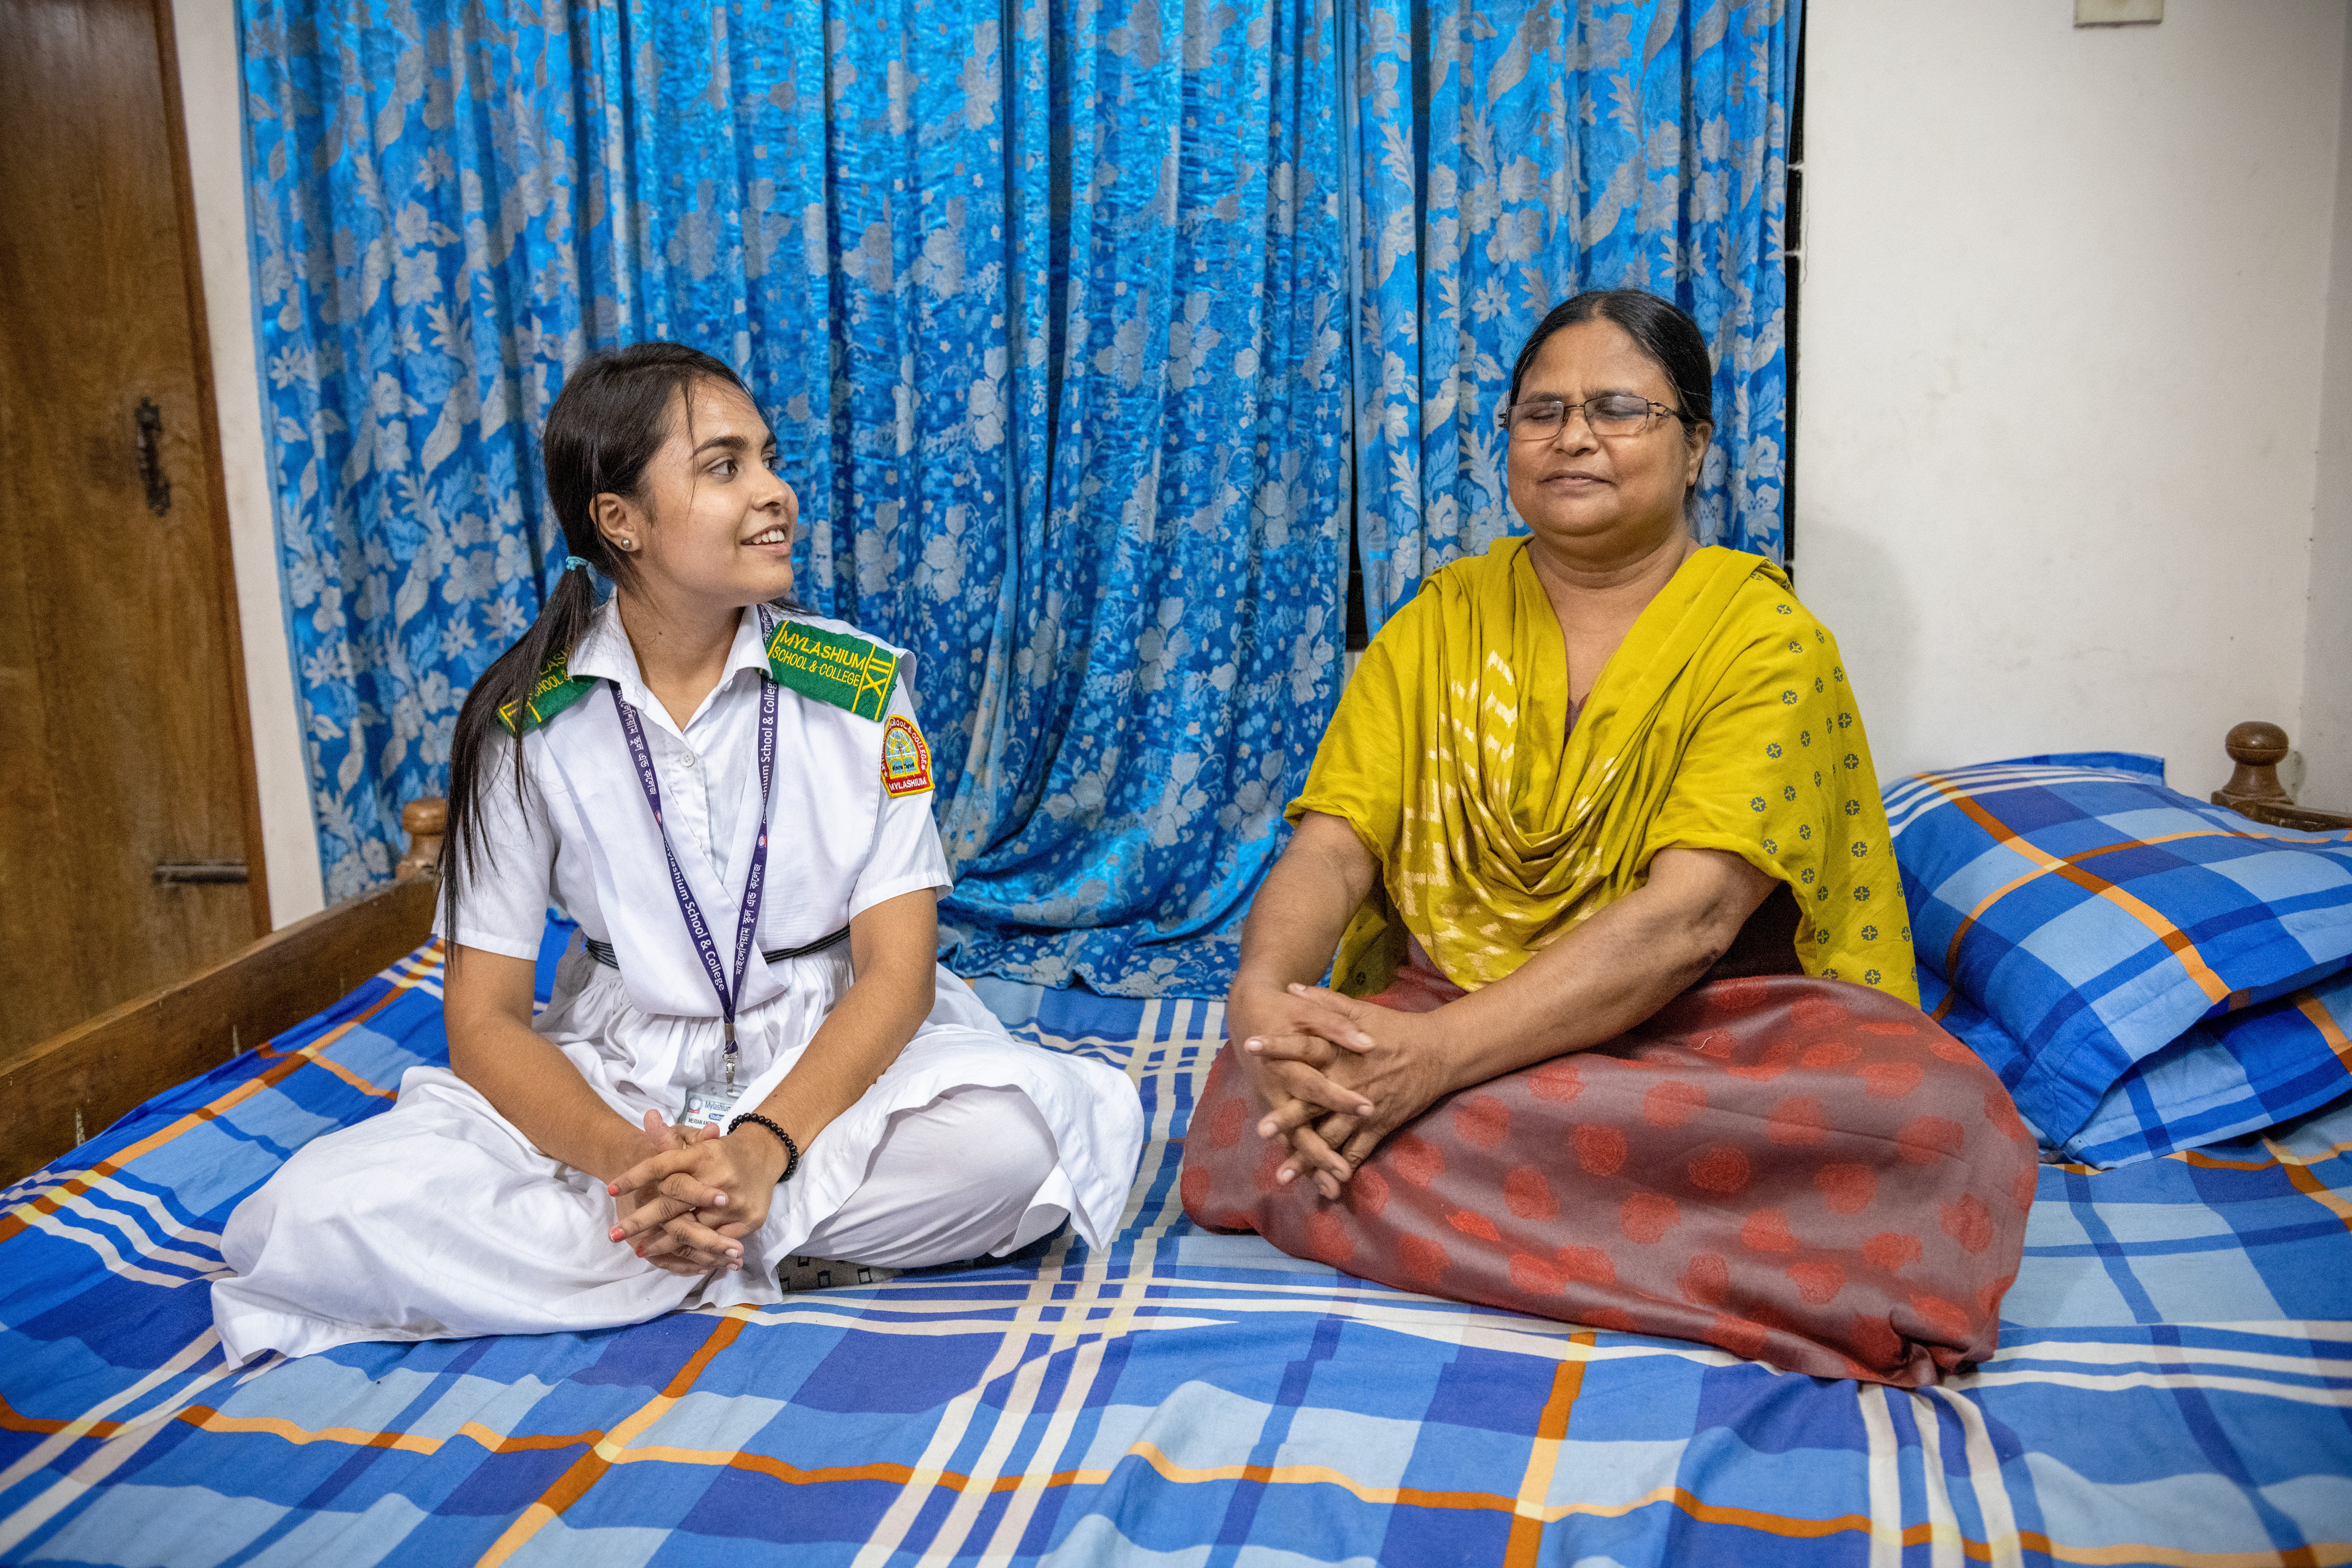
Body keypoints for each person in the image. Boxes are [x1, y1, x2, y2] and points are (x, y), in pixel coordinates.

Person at [213, 343, 1144, 1363]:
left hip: (827, 1063)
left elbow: (899, 975)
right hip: (622, 1078)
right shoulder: (523, 726)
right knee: (308, 1213)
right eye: (724, 467)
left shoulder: (860, 693)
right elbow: (482, 1024)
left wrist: (762, 1149)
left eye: (770, 460)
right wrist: (633, 1167)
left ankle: (654, 1249)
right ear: (621, 521)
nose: (776, 492)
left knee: (1015, 1149)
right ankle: (718, 1238)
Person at [1179, 291, 2033, 1387]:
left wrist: (1431, 1068)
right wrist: (1266, 998)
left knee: (1934, 1126)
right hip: (1457, 1002)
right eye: (1541, 412)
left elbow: (1689, 924)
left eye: (1619, 407)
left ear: (1696, 448)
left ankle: (1418, 1176)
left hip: (1697, 1037)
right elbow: (1335, 844)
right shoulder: (1439, 621)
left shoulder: (1765, 643)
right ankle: (1698, 1251)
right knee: (1266, 1084)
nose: (1573, 436)